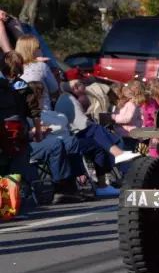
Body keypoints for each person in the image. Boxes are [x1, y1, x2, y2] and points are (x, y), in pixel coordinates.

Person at [1, 52, 86, 203]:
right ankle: (62, 186)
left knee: (66, 142)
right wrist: (36, 132)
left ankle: (71, 185)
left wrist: (36, 131)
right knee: (55, 145)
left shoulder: (18, 86)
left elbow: (33, 111)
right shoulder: (18, 87)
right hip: (18, 140)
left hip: (20, 137)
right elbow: (33, 112)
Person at [55, 81, 140, 165]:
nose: (85, 86)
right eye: (81, 84)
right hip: (70, 139)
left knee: (101, 141)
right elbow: (83, 124)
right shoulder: (69, 100)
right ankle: (121, 157)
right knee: (97, 130)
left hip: (67, 137)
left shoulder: (65, 98)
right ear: (75, 88)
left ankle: (111, 167)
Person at [15, 34, 59, 110]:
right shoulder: (42, 66)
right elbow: (54, 88)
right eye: (38, 47)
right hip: (45, 113)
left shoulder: (15, 70)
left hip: (27, 117)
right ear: (32, 50)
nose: (41, 49)